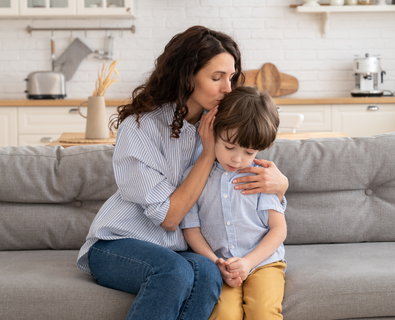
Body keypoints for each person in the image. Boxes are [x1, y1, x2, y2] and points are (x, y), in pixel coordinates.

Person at [76, 25, 289, 320]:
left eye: (230, 77)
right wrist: (207, 151)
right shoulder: (140, 128)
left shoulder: (221, 124)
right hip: (118, 244)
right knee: (174, 272)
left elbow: (243, 175)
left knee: (209, 275)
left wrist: (281, 185)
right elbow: (170, 217)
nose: (228, 88)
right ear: (187, 76)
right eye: (216, 78)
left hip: (179, 249)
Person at [180, 86, 288, 320]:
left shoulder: (261, 176)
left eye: (249, 152)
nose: (237, 159)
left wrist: (248, 262)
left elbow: (278, 229)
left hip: (263, 263)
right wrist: (215, 263)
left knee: (263, 313)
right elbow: (191, 229)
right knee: (224, 315)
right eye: (229, 147)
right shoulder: (196, 176)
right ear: (213, 131)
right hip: (220, 267)